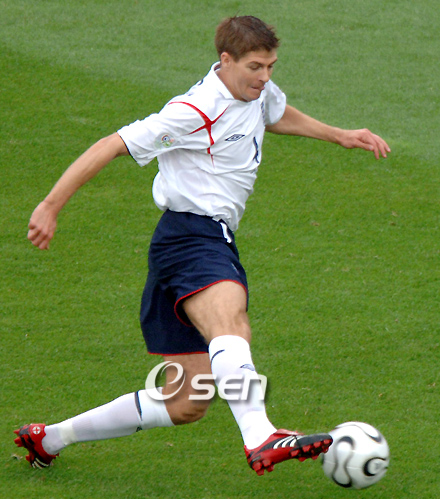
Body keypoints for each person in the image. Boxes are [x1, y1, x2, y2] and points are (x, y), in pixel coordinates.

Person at [15, 16, 390, 475]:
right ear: (225, 60)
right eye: (255, 66)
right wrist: (50, 206)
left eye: (271, 66)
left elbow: (275, 113)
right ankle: (260, 435)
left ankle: (48, 438)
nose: (265, 76)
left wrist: (340, 135)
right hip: (192, 237)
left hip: (191, 242)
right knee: (231, 319)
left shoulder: (255, 90)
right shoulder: (195, 110)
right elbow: (112, 144)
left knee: (187, 401)